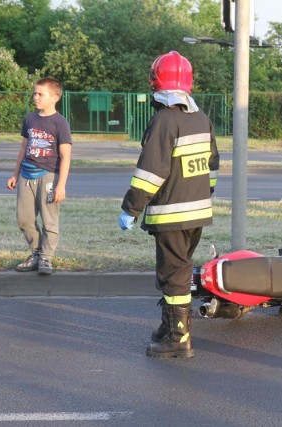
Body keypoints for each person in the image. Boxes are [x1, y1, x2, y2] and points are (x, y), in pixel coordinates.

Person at [119, 51, 219, 359]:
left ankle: (179, 338)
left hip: (171, 215)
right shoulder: (201, 119)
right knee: (177, 271)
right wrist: (202, 195)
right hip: (198, 213)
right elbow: (211, 167)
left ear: (156, 83)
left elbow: (151, 172)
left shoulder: (163, 120)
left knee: (173, 273)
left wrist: (130, 209)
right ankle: (170, 327)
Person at [6, 77, 72, 276]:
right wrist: (15, 174)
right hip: (26, 174)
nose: (35, 97)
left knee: (49, 220)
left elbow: (65, 156)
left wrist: (61, 186)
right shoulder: (30, 118)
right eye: (34, 93)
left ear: (54, 97)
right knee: (24, 219)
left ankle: (46, 258)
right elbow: (24, 148)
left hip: (49, 176)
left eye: (40, 94)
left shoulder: (60, 123)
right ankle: (35, 253)